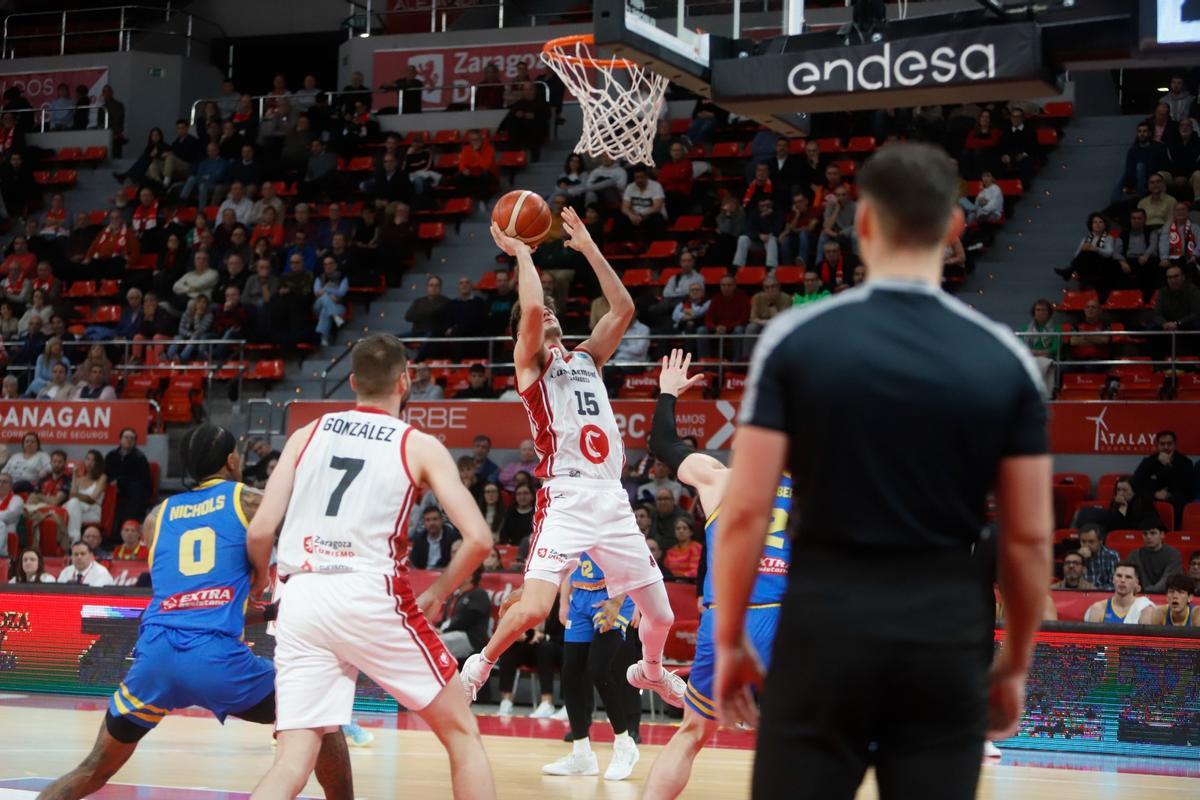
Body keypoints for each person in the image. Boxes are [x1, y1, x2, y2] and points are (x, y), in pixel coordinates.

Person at [713, 143, 1052, 799]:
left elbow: (748, 514)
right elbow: (1029, 539)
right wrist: (1015, 663)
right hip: (943, 643)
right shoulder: (1006, 359)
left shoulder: (795, 340)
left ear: (861, 221)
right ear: (956, 227)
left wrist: (728, 642)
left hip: (823, 634)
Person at [39, 425, 354, 800]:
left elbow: (190, 602)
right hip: (215, 660)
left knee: (92, 769)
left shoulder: (157, 517)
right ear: (232, 460)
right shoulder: (248, 500)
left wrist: (267, 612)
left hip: (155, 658)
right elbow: (309, 520)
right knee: (320, 715)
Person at [246, 334, 494, 800]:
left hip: (298, 596)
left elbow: (260, 532)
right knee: (462, 736)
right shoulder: (417, 444)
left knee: (293, 759)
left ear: (354, 381)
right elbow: (479, 539)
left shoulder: (306, 434)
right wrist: (438, 592)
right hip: (368, 592)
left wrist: (262, 576)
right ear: (406, 382)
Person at [460, 209, 684, 711]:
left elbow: (623, 308)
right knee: (536, 607)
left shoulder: (586, 357)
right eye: (543, 315)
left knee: (662, 615)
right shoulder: (530, 367)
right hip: (565, 497)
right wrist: (521, 254)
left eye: (557, 309)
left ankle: (650, 671)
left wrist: (587, 247)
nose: (552, 313)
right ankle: (481, 665)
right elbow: (533, 313)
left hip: (612, 500)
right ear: (525, 335)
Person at [642, 349, 792, 800]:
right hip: (782, 618)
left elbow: (663, 443)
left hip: (724, 621)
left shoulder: (719, 480)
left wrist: (668, 393)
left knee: (691, 733)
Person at [548, 550, 640, 779]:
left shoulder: (611, 520)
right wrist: (562, 602)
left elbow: (634, 564)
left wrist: (634, 603)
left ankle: (624, 743)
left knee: (598, 669)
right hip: (580, 600)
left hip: (613, 598)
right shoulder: (570, 525)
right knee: (570, 673)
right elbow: (568, 567)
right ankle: (581, 754)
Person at [1132, 430, 1195, 527]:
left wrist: (1168, 466)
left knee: (1179, 503)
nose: (1166, 447)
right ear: (1157, 445)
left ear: (1174, 445)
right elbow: (1136, 482)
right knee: (1140, 501)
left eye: (1169, 444)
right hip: (1153, 499)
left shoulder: (1186, 463)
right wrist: (1155, 493)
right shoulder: (1149, 461)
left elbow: (1188, 489)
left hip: (1176, 501)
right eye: (1162, 444)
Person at [105, 428, 152, 537]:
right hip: (113, 491)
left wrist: (120, 482)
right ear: (120, 439)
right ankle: (109, 534)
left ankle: (127, 532)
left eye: (132, 438)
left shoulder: (140, 458)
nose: (129, 440)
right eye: (126, 437)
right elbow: (106, 474)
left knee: (136, 490)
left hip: (132, 492)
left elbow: (142, 480)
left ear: (135, 442)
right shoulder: (111, 456)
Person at [438, 566, 492, 660]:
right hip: (450, 633)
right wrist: (435, 629)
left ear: (470, 576)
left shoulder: (479, 594)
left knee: (438, 643)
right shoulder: (454, 596)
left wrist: (443, 630)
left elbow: (469, 618)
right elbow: (446, 620)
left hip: (470, 638)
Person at [1083, 562, 1154, 623]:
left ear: (1136, 583)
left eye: (1128, 577)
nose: (1122, 580)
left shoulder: (1144, 609)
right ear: (1113, 580)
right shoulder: (1098, 608)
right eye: (1119, 576)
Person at [63, 450, 107, 547]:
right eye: (87, 459)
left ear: (98, 463)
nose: (90, 462)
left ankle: (73, 542)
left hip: (92, 511)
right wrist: (74, 476)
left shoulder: (102, 477)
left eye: (93, 460)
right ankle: (74, 540)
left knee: (73, 505)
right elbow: (71, 495)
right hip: (76, 511)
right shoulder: (79, 479)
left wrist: (76, 496)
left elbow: (92, 499)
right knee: (73, 504)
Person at [1128, 526, 1183, 593]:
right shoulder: (1135, 555)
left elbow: (1168, 579)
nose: (1148, 537)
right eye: (1145, 534)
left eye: (1153, 533)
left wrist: (1148, 591)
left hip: (1166, 595)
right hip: (1140, 596)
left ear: (1162, 535)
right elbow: (1129, 578)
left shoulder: (1173, 554)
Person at [1076, 524, 1119, 590]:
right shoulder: (1075, 556)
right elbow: (1070, 583)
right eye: (1083, 541)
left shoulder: (1111, 556)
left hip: (1103, 596)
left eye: (1091, 542)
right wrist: (1079, 559)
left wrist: (1096, 589)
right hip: (1079, 594)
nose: (1087, 545)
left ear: (1100, 541)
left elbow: (1116, 585)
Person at [0, 473, 25, 554]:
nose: (1, 484)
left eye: (4, 482)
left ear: (10, 486)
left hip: (8, 531)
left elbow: (9, 515)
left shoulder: (17, 499)